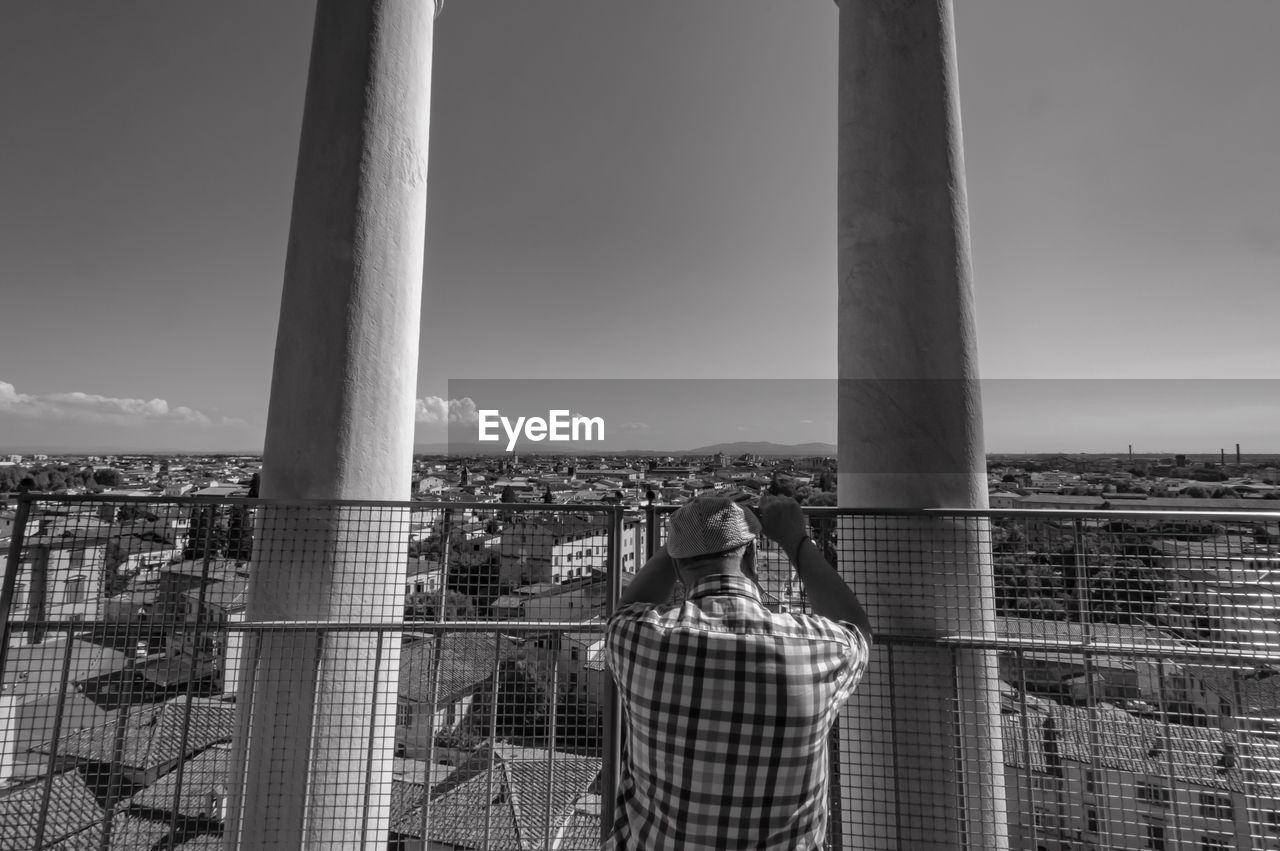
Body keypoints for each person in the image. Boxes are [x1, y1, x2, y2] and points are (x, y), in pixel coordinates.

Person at [604, 494, 872, 850]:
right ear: (752, 555)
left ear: (678, 563)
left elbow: (628, 610)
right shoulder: (819, 647)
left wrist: (685, 532)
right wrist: (796, 540)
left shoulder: (634, 638)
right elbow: (857, 630)